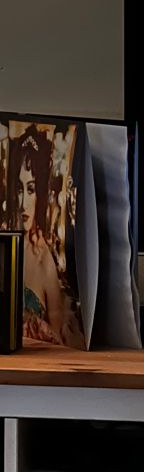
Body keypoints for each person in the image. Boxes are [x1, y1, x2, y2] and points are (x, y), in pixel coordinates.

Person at [9, 124, 84, 347]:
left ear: (40, 193)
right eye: (19, 189)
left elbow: (60, 338)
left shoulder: (43, 258)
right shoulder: (5, 240)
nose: (23, 203)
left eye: (30, 189)